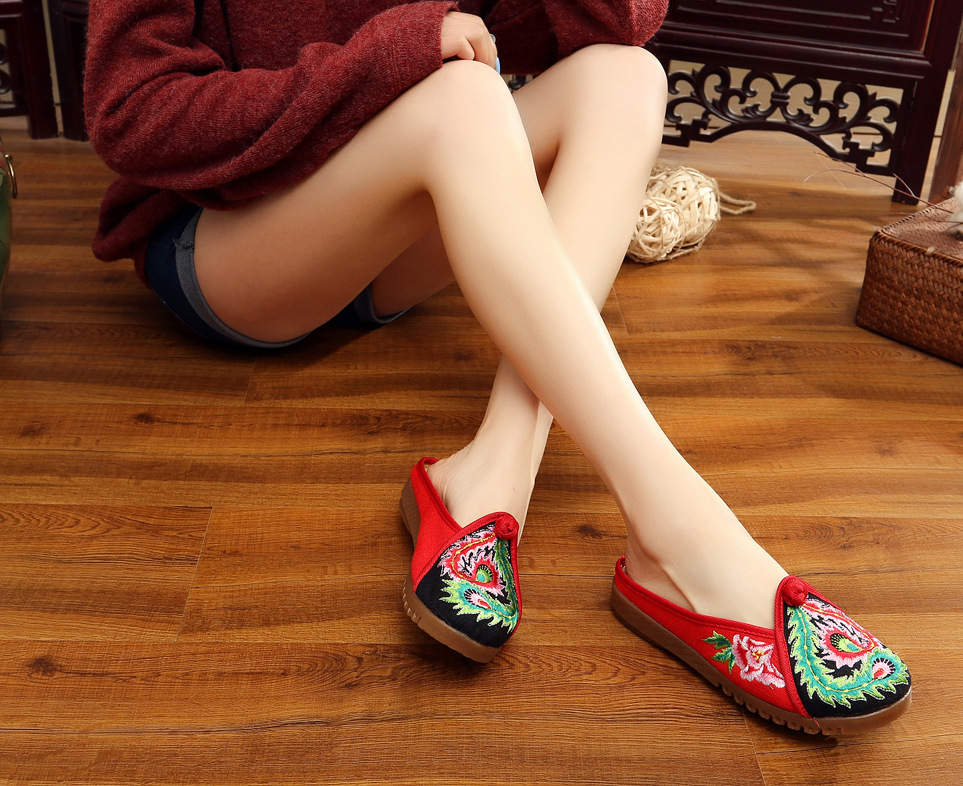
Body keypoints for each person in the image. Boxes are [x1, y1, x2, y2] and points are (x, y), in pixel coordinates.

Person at [85, 0, 911, 736]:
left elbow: (608, 27)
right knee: (462, 97)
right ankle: (680, 531)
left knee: (624, 77)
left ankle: (494, 469)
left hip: (386, 230)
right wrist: (396, 53)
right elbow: (131, 113)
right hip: (232, 248)